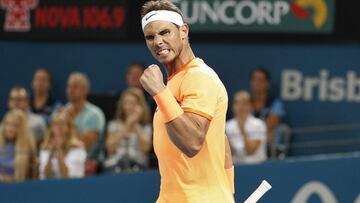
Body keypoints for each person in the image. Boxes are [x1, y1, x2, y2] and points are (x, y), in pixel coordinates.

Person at [139, 1, 234, 202]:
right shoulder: (174, 83)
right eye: (150, 37)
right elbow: (221, 139)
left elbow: (192, 143)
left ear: (183, 31)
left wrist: (159, 92)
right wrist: (230, 190)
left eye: (165, 33)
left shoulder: (199, 77)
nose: (157, 42)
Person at [65, 72, 105, 175]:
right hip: (64, 162)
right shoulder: (61, 112)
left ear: (85, 90)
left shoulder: (95, 114)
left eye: (75, 87)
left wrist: (69, 121)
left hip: (89, 164)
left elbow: (84, 145)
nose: (70, 90)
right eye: (69, 86)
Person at [104, 88, 152, 173]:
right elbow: (110, 149)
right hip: (115, 166)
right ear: (122, 105)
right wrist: (127, 125)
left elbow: (146, 148)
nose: (130, 106)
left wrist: (136, 124)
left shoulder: (145, 127)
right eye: (127, 103)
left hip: (138, 167)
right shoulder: (113, 125)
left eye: (133, 103)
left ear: (140, 106)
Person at [39, 112, 87, 179]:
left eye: (62, 124)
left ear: (69, 128)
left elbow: (66, 175)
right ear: (51, 128)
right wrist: (50, 155)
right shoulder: (45, 148)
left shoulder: (77, 148)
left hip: (72, 186)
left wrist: (59, 150)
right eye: (55, 124)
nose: (59, 128)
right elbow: (45, 176)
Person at [226, 91, 267, 165]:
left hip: (256, 166)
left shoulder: (259, 124)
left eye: (244, 103)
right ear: (233, 106)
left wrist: (242, 129)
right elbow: (229, 153)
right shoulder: (228, 126)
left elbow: (250, 151)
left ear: (250, 106)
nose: (240, 107)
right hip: (235, 167)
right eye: (237, 103)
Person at [0, 109, 37, 182]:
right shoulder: (1, 145)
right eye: (7, 124)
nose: (9, 129)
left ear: (22, 129)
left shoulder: (28, 149)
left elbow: (28, 177)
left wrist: (3, 178)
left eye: (15, 125)